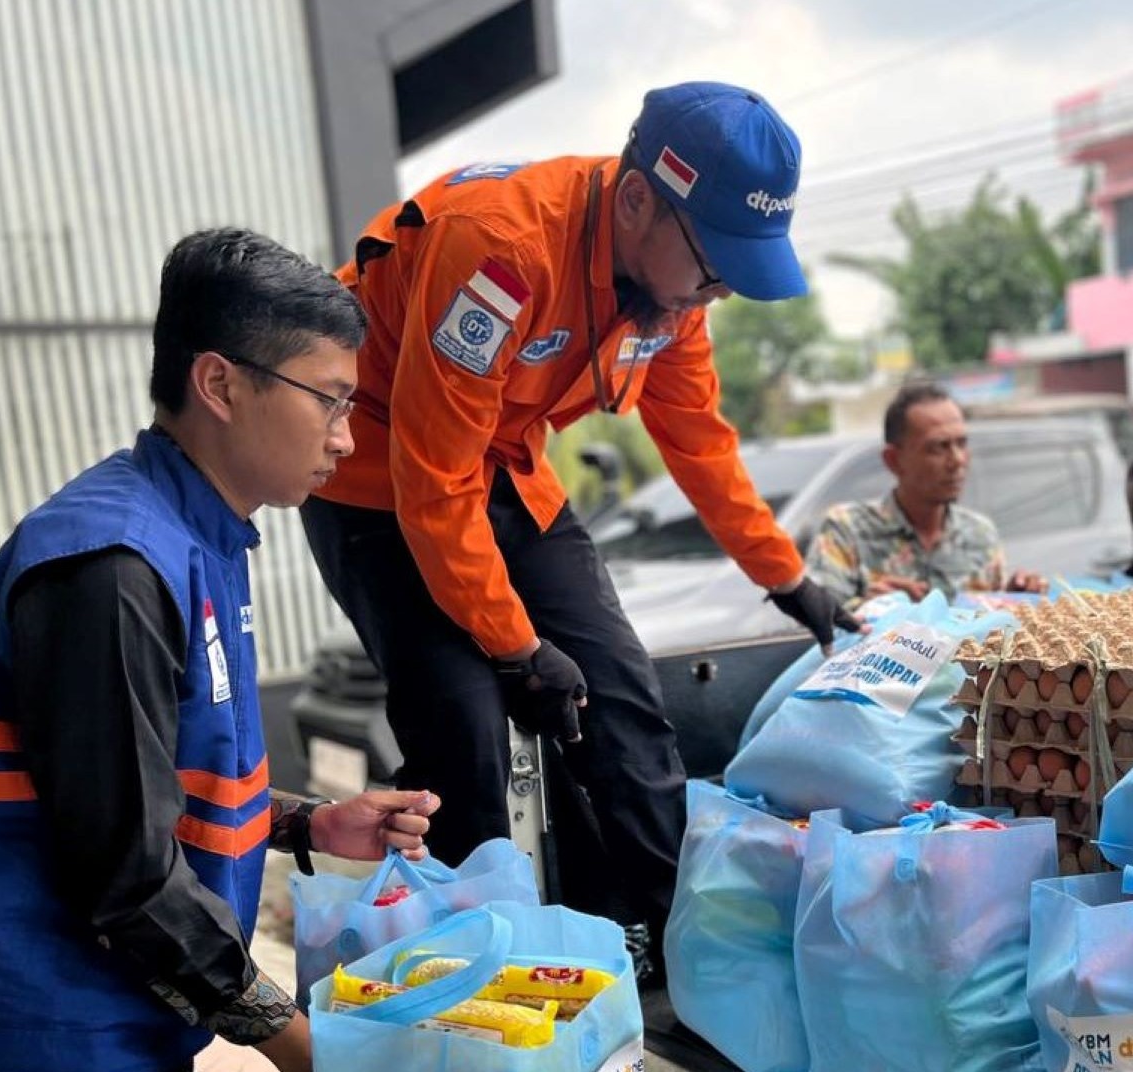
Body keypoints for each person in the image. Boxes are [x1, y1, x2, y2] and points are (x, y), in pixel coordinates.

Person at [298, 81, 860, 963]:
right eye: (714, 264)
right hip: (379, 479)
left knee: (622, 697)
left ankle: (683, 954)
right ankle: (487, 972)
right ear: (638, 200)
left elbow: (700, 442)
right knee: (463, 729)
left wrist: (786, 579)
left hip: (505, 468)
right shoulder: (502, 251)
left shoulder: (671, 298)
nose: (717, 294)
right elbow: (432, 478)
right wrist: (518, 649)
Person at [0, 228, 439, 1072]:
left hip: (129, 1017)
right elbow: (127, 875)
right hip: (59, 1030)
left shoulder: (202, 536)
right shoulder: (113, 568)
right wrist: (300, 1045)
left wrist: (310, 823)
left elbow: (150, 786)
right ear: (219, 384)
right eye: (330, 400)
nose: (345, 439)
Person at [809, 381, 1048, 606]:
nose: (957, 460)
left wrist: (1015, 598)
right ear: (894, 460)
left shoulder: (980, 534)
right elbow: (817, 622)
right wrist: (869, 609)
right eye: (938, 447)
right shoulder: (848, 530)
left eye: (962, 444)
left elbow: (993, 623)